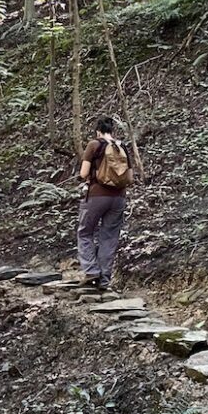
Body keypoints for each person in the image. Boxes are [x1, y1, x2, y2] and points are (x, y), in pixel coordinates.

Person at [77, 116, 134, 290]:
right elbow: (130, 177)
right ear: (112, 130)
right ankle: (104, 280)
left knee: (85, 232)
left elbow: (84, 173)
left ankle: (91, 270)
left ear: (98, 131)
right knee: (109, 237)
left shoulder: (94, 145)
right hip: (119, 198)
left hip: (96, 196)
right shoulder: (122, 146)